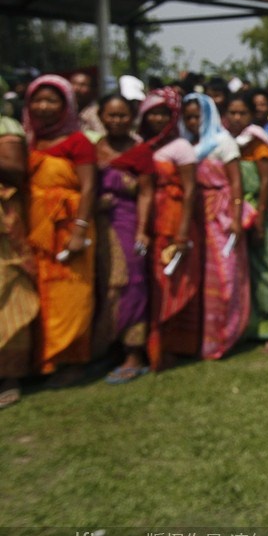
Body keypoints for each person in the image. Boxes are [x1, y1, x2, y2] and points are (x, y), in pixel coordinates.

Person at [24, 75, 97, 384]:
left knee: (73, 293)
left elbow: (90, 186)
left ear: (66, 105)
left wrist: (80, 230)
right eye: (38, 100)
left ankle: (75, 361)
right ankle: (48, 361)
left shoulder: (78, 141)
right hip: (39, 228)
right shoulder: (30, 140)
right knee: (43, 292)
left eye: (51, 100)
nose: (43, 107)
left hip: (69, 226)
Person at [181, 92, 251, 360]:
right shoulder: (186, 145)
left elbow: (235, 182)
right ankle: (206, 339)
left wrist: (235, 216)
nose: (193, 122)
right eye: (188, 117)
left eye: (197, 116)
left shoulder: (223, 142)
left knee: (226, 275)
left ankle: (227, 334)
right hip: (197, 215)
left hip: (221, 214)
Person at [93, 94, 155, 384]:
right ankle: (109, 347)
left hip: (128, 222)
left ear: (132, 118)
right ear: (101, 117)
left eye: (122, 116)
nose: (116, 121)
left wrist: (142, 229)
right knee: (103, 284)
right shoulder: (93, 149)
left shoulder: (140, 150)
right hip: (100, 225)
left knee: (132, 283)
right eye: (111, 115)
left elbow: (145, 193)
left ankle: (134, 352)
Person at [139, 88, 201, 371]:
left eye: (163, 112)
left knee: (176, 279)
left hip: (177, 219)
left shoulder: (181, 147)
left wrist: (183, 231)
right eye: (152, 112)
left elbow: (190, 191)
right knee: (157, 281)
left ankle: (179, 345)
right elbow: (144, 191)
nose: (157, 118)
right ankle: (158, 346)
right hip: (155, 219)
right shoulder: (146, 146)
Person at [224, 95, 268, 354]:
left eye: (242, 113)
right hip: (236, 215)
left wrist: (260, 218)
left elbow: (265, 183)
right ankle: (250, 326)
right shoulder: (227, 142)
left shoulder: (258, 143)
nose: (237, 118)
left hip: (260, 214)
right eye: (232, 112)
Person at [0, 115, 38, 408]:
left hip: (5, 221)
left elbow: (15, 171)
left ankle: (9, 375)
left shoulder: (6, 127)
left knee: (9, 292)